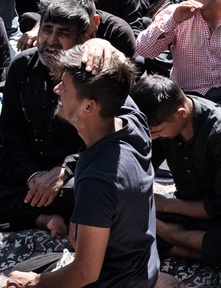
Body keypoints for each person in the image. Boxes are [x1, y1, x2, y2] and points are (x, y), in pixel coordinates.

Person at [6, 45, 165, 287]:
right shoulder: (133, 121)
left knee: (15, 278)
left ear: (88, 107)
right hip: (144, 264)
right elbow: (117, 80)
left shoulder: (98, 179)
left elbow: (85, 273)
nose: (56, 89)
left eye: (65, 88)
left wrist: (32, 283)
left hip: (118, 281)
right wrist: (101, 45)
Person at [0, 0, 122, 237]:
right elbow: (9, 130)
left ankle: (28, 213)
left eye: (63, 33)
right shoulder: (21, 66)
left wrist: (65, 169)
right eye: (47, 30)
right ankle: (41, 218)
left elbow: (103, 137)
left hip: (69, 174)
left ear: (80, 38)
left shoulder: (90, 75)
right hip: (26, 170)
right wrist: (32, 176)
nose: (51, 41)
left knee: (96, 191)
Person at [131, 75, 221, 267]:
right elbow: (141, 167)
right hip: (190, 213)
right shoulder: (163, 123)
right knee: (121, 224)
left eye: (156, 132)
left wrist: (165, 211)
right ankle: (207, 254)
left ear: (181, 113)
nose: (153, 137)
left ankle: (171, 238)